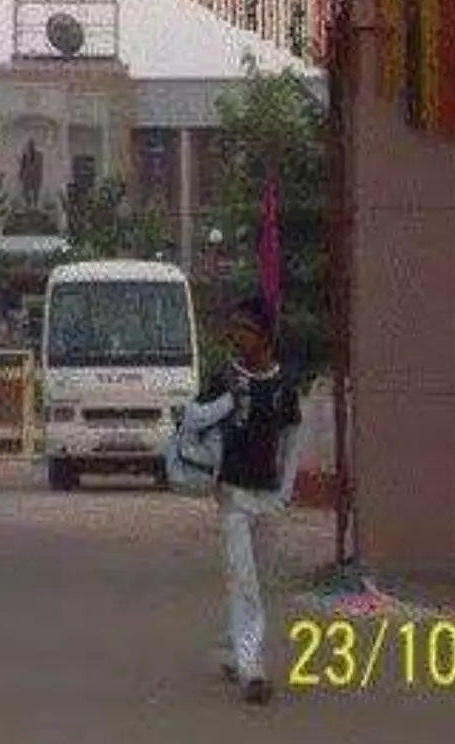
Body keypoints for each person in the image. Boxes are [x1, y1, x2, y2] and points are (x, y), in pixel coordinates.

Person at [180, 295, 301, 707]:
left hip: (269, 497)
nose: (238, 337)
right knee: (244, 581)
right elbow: (192, 418)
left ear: (265, 337)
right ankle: (253, 670)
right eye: (236, 329)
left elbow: (292, 439)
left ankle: (233, 647)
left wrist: (286, 491)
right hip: (234, 496)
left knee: (257, 581)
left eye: (246, 330)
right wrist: (227, 402)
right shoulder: (226, 378)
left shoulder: (284, 384)